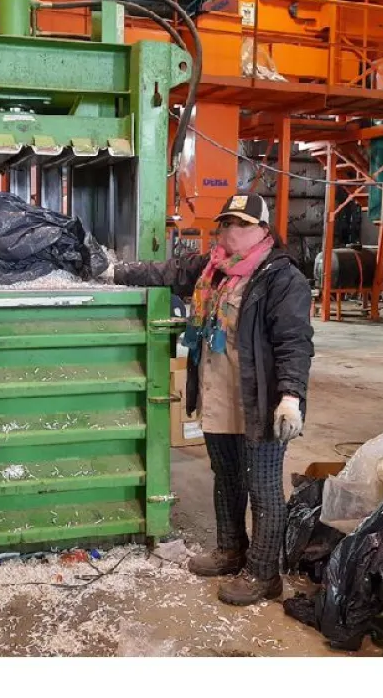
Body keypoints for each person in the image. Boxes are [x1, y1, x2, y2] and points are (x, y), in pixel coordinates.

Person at [107, 193, 314, 606]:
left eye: (240, 224)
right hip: (219, 393)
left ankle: (263, 573)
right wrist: (113, 272)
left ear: (262, 229)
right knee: (227, 476)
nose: (230, 232)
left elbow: (295, 342)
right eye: (226, 224)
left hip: (261, 400)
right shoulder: (214, 268)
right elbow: (165, 271)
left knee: (263, 485)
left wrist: (291, 396)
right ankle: (231, 549)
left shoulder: (281, 277)